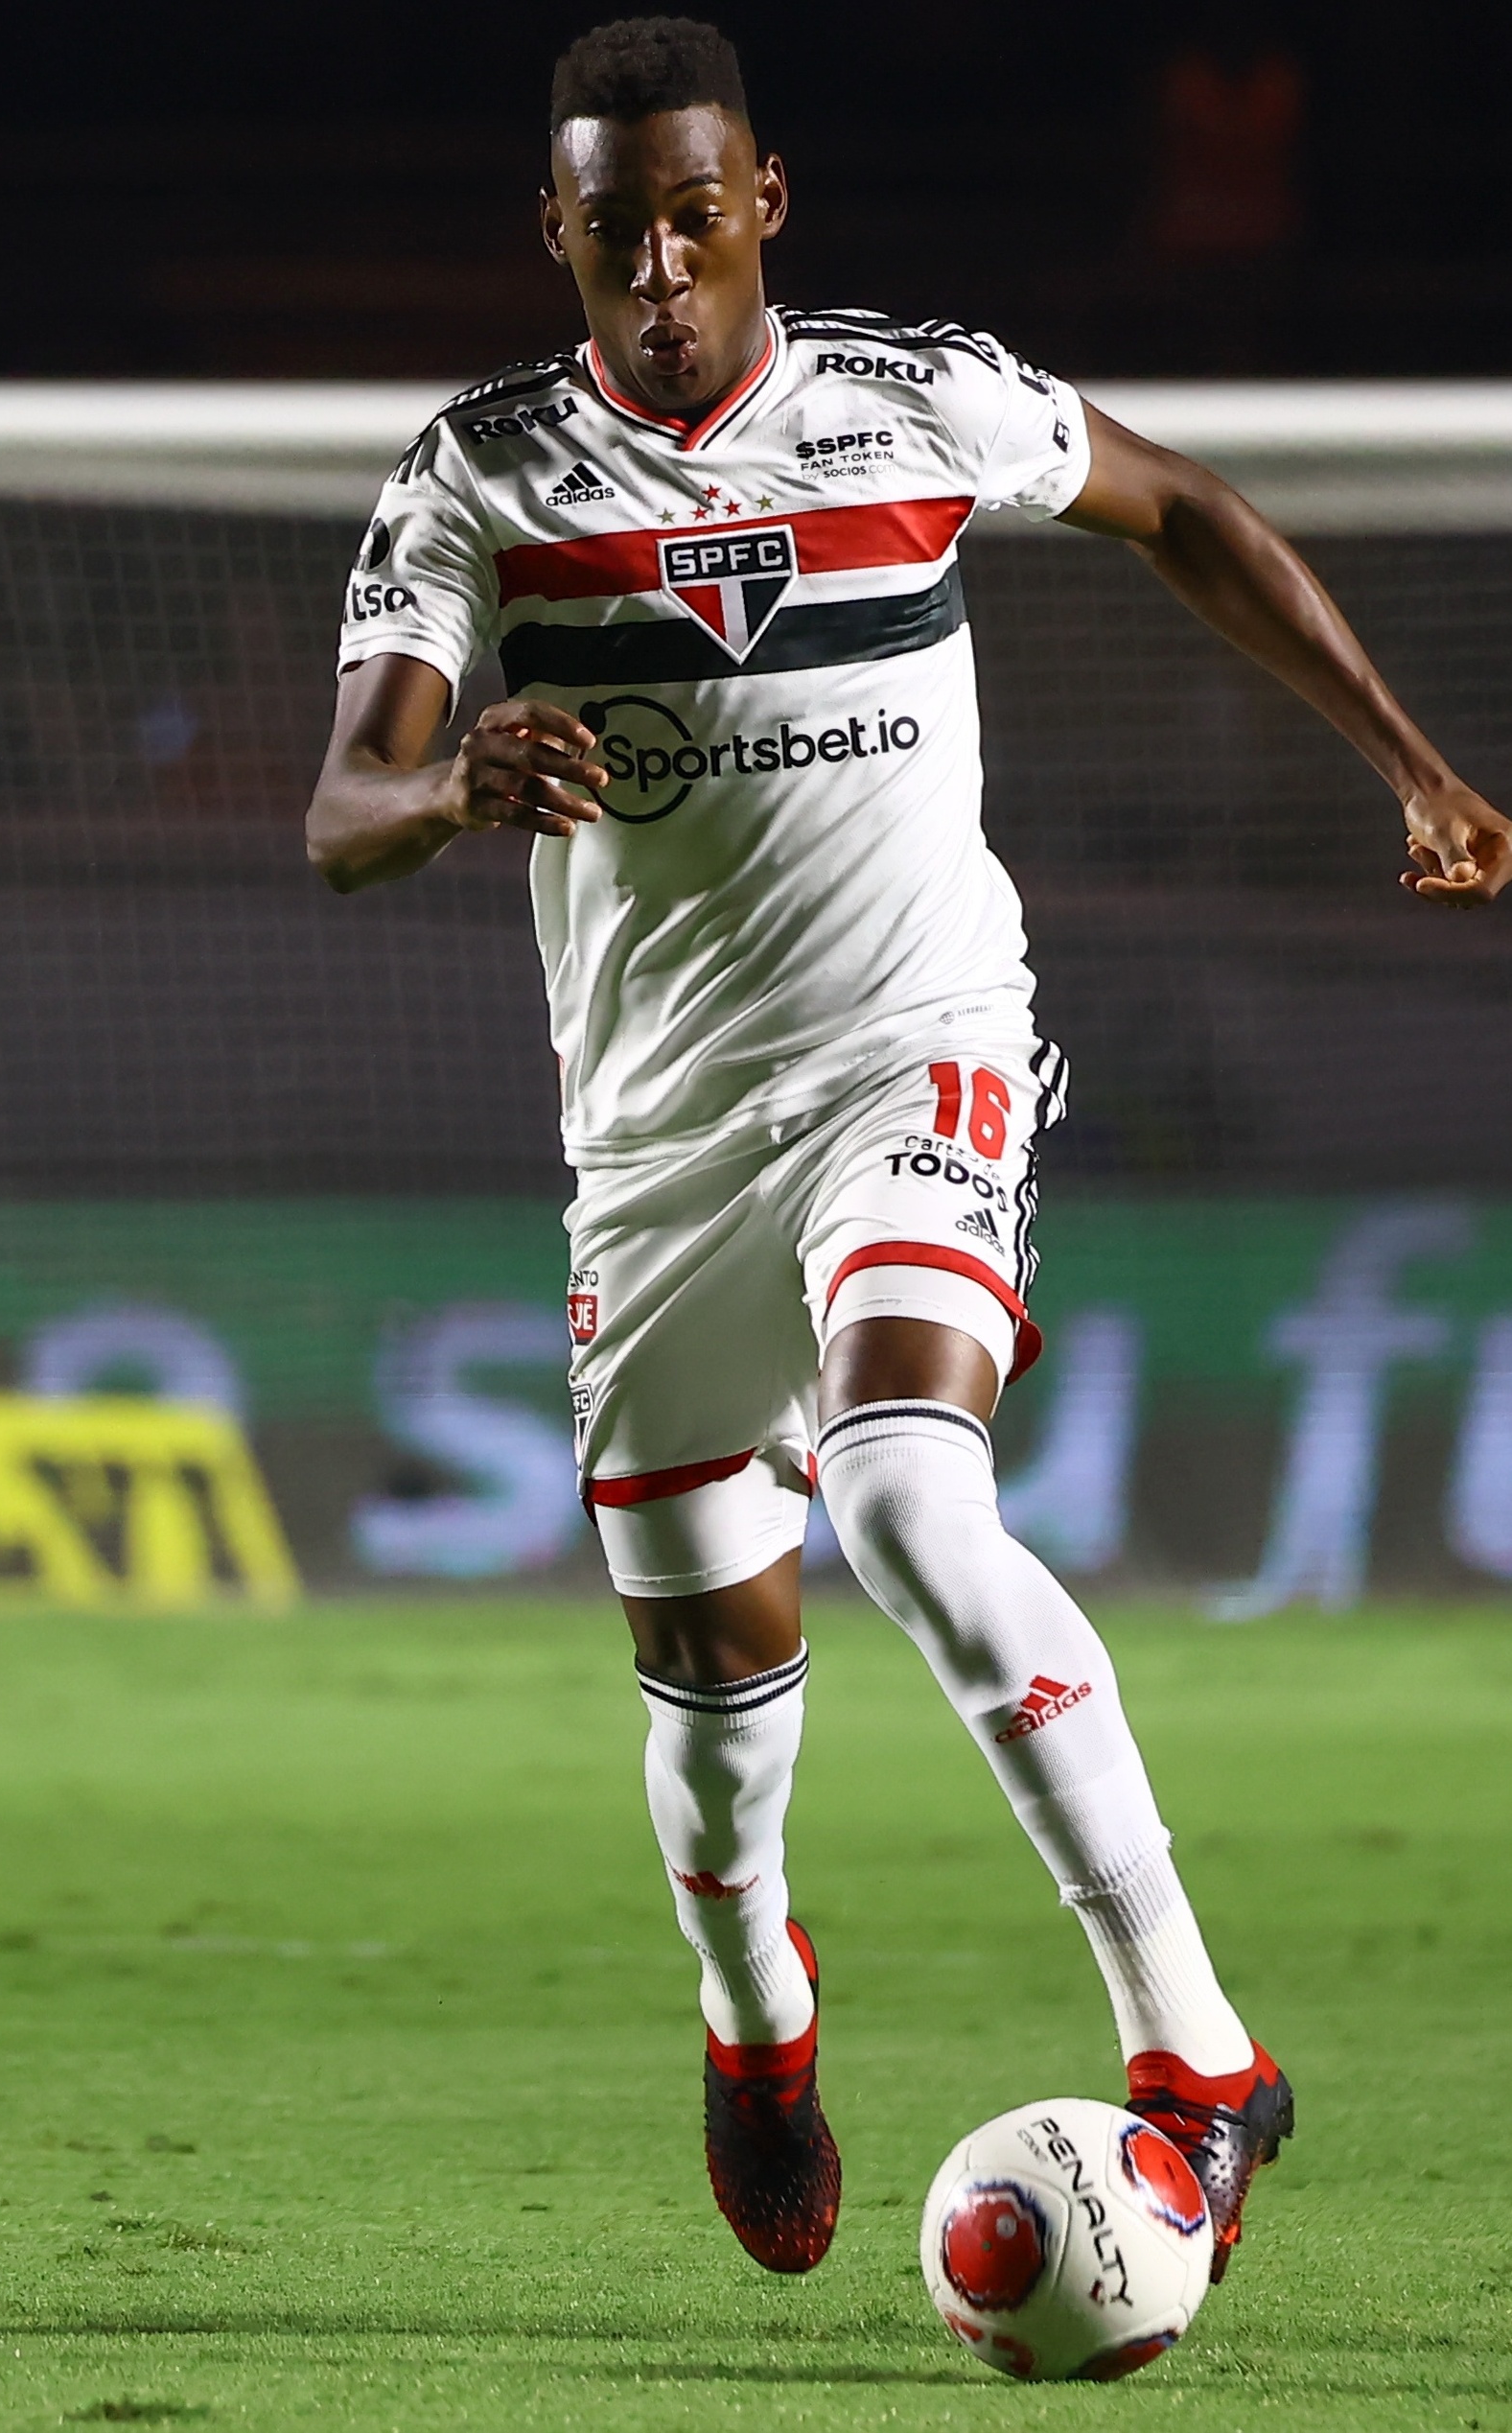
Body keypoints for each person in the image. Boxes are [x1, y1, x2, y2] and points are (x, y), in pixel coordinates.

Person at [304, 18, 1510, 2282]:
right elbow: (340, 807)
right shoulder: (481, 476)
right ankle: (756, 2016)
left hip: (919, 1053)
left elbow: (1190, 512)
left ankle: (1199, 2058)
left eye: (695, 211)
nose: (658, 263)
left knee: (907, 1494)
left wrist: (1410, 765)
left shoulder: (922, 394)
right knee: (715, 1710)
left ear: (767, 201)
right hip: (657, 1146)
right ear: (552, 232)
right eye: (611, 225)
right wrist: (451, 785)